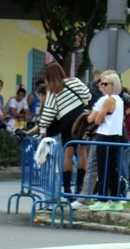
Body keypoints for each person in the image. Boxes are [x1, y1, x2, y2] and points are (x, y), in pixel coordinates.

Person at [30, 62, 92, 202]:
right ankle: (80, 187)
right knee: (83, 151)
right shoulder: (75, 81)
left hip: (66, 121)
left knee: (68, 154)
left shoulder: (53, 90)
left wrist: (43, 128)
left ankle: (67, 189)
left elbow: (49, 113)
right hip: (81, 118)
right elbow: (87, 96)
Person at [87, 72, 126, 212]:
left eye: (105, 84)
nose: (101, 86)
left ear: (113, 85)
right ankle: (116, 200)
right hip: (116, 136)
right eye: (101, 83)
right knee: (113, 169)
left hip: (105, 135)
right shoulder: (120, 100)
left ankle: (102, 199)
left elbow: (96, 120)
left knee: (103, 169)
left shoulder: (108, 100)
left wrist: (99, 116)